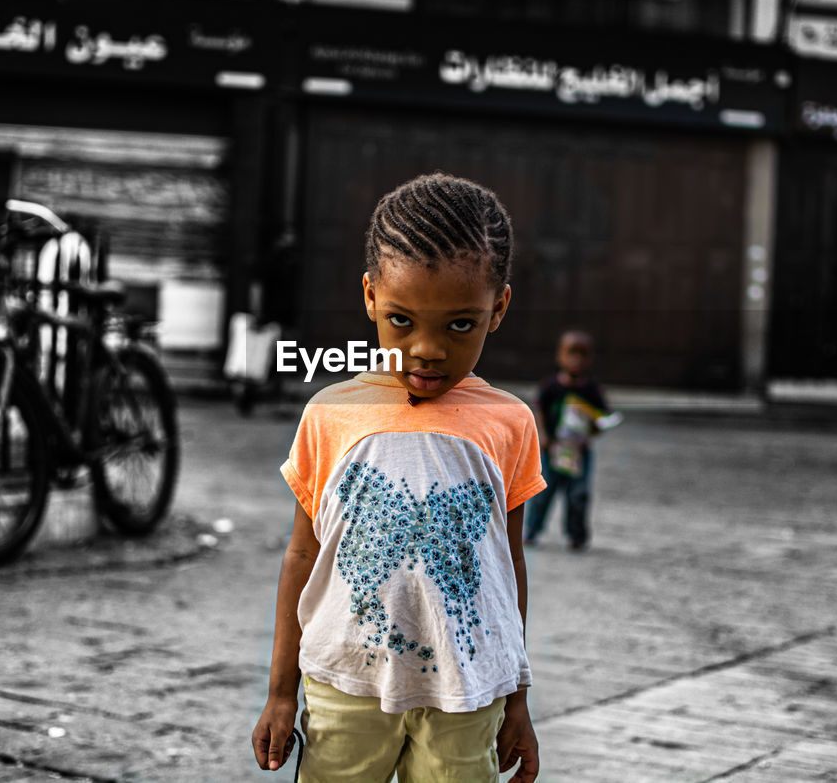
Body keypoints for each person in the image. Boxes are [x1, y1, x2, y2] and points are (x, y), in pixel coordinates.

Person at [252, 173, 543, 783]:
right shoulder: (330, 414)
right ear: (369, 298)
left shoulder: (510, 424)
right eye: (402, 320)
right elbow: (302, 555)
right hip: (344, 683)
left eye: (460, 324)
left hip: (469, 696)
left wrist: (517, 698)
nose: (428, 349)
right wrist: (281, 692)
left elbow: (506, 569)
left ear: (500, 309)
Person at [525, 330, 610, 551]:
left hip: (578, 454)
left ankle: (576, 536)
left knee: (578, 495)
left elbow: (602, 420)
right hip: (552, 450)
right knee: (542, 493)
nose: (576, 360)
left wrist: (589, 435)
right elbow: (539, 410)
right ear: (559, 356)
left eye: (583, 355)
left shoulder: (592, 390)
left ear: (590, 359)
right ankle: (531, 532)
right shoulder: (550, 386)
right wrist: (543, 436)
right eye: (571, 353)